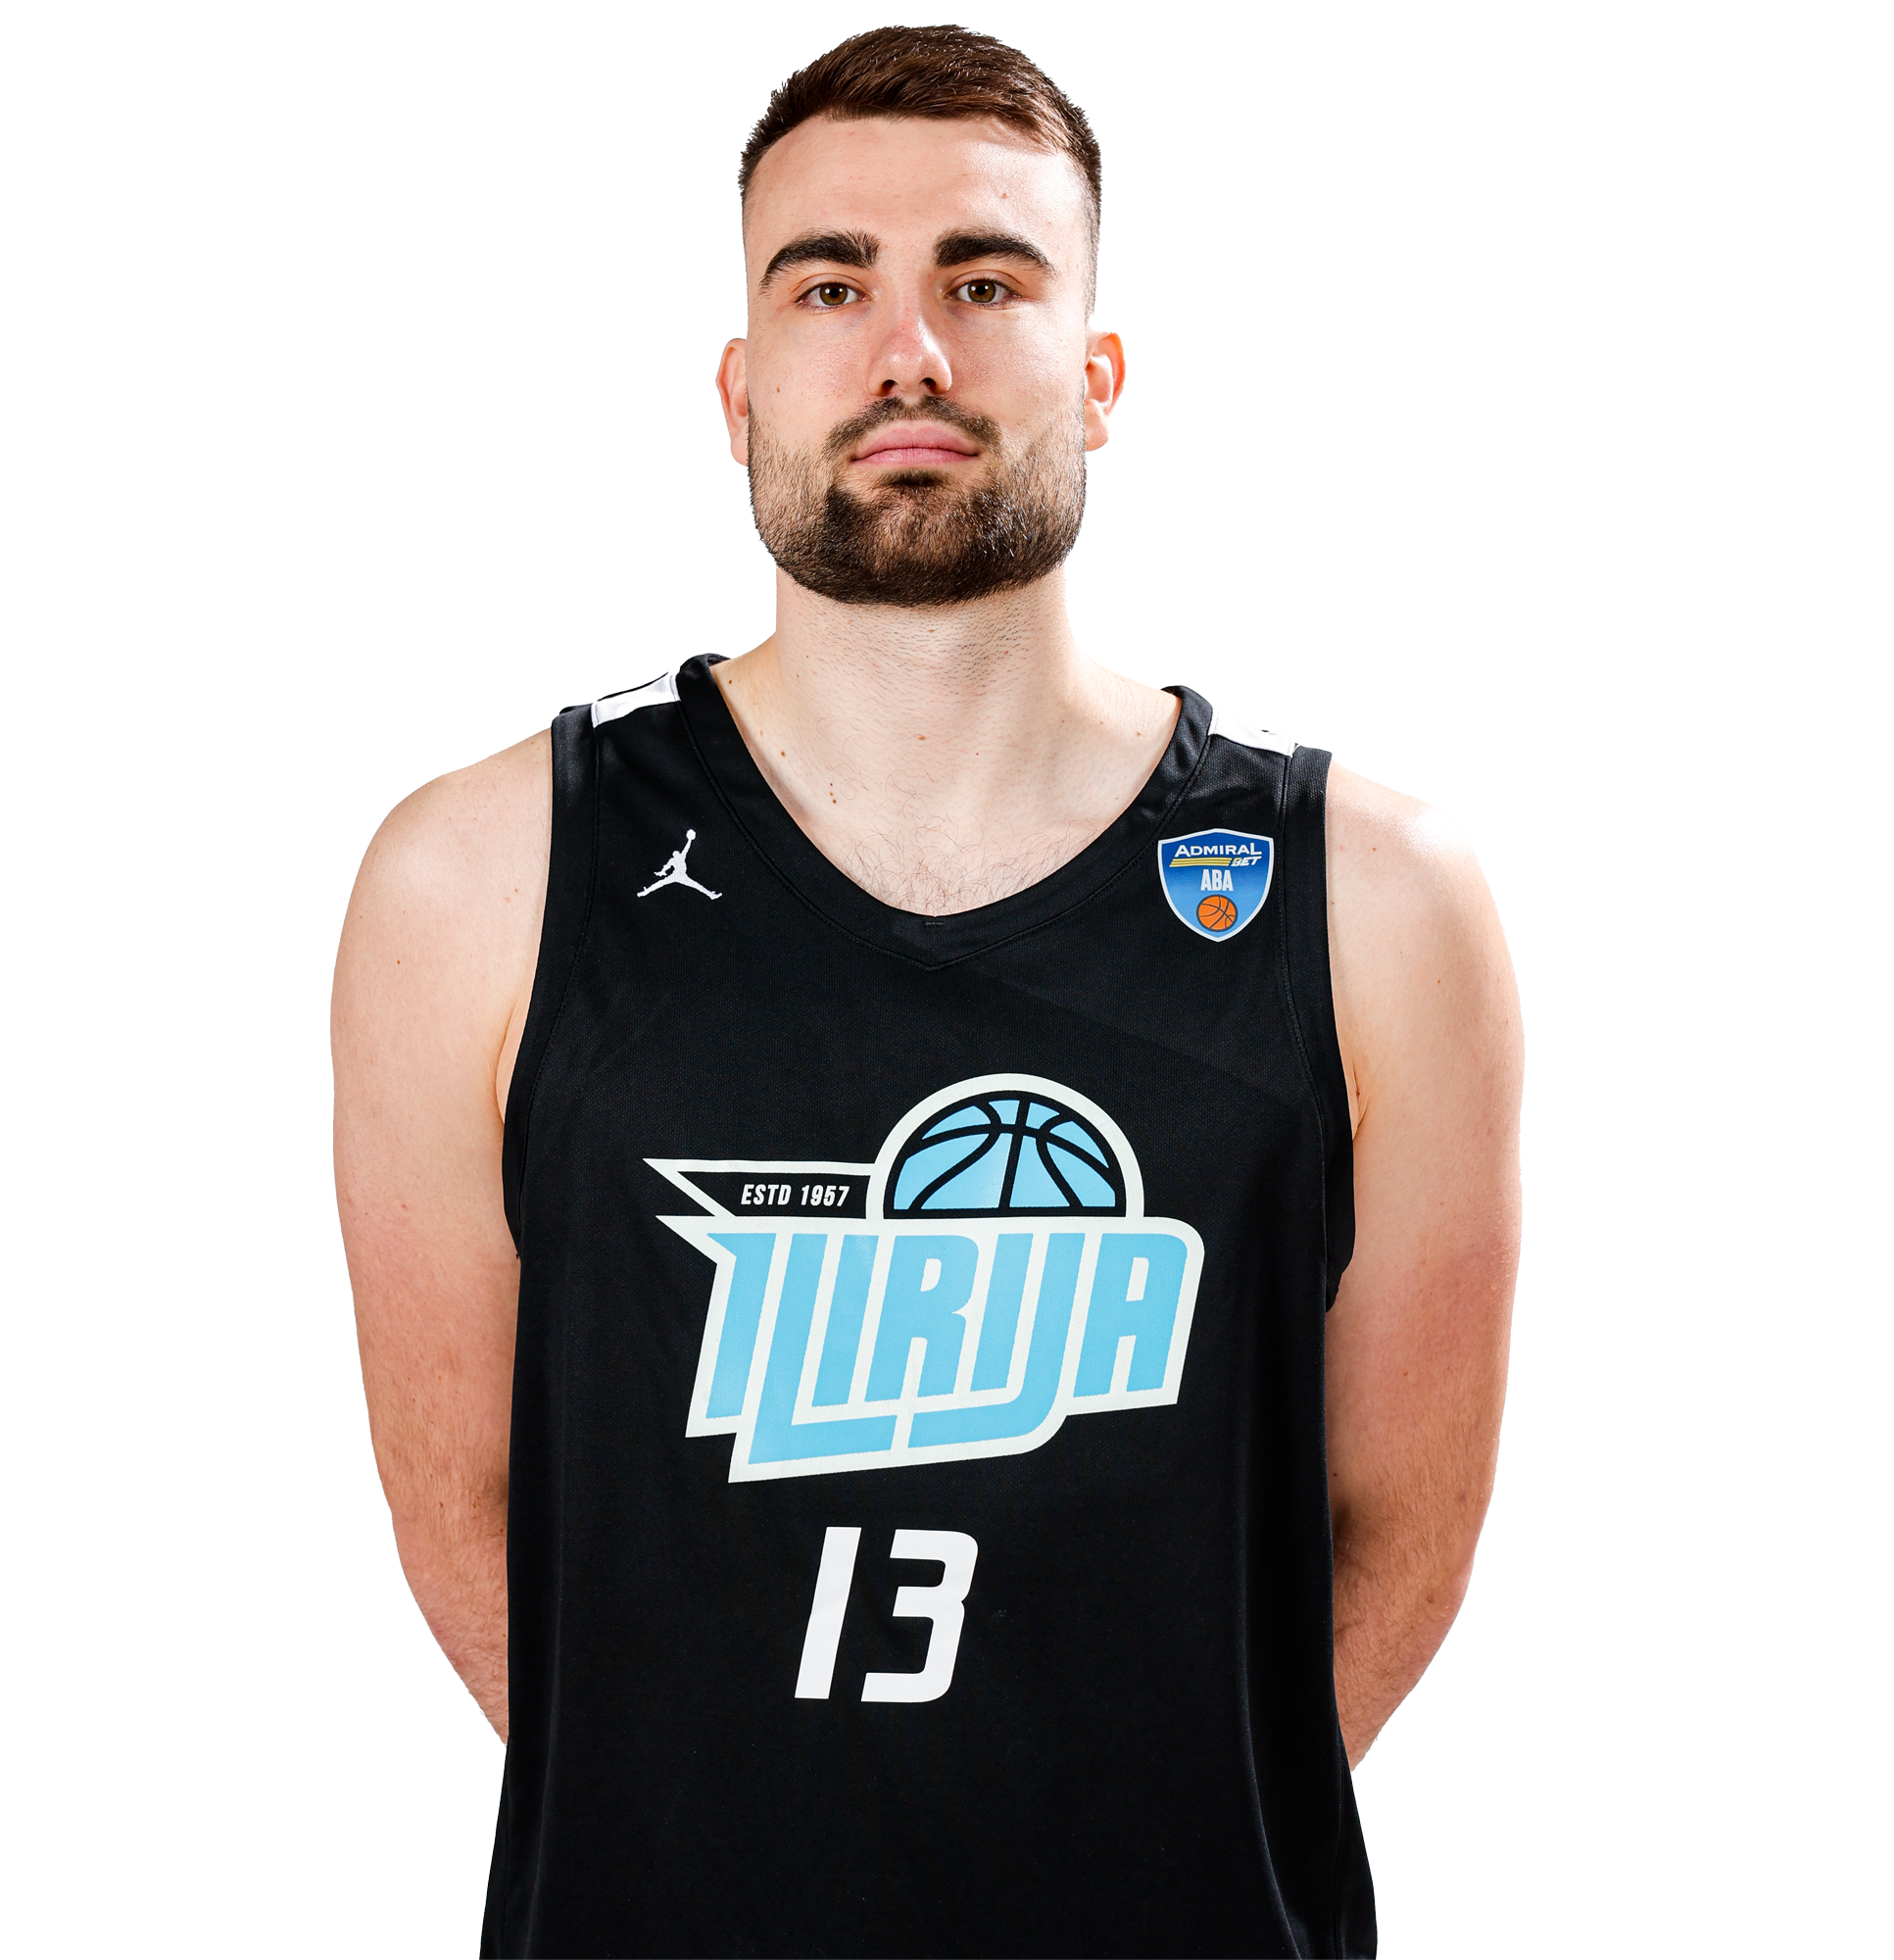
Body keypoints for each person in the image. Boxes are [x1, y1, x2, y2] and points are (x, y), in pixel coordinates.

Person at [332, 24, 1521, 1957]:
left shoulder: (1376, 899)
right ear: (740, 386)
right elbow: (466, 1509)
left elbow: (1397, 1531)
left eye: (985, 281)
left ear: (1098, 375)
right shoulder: (476, 881)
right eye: (829, 286)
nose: (909, 351)